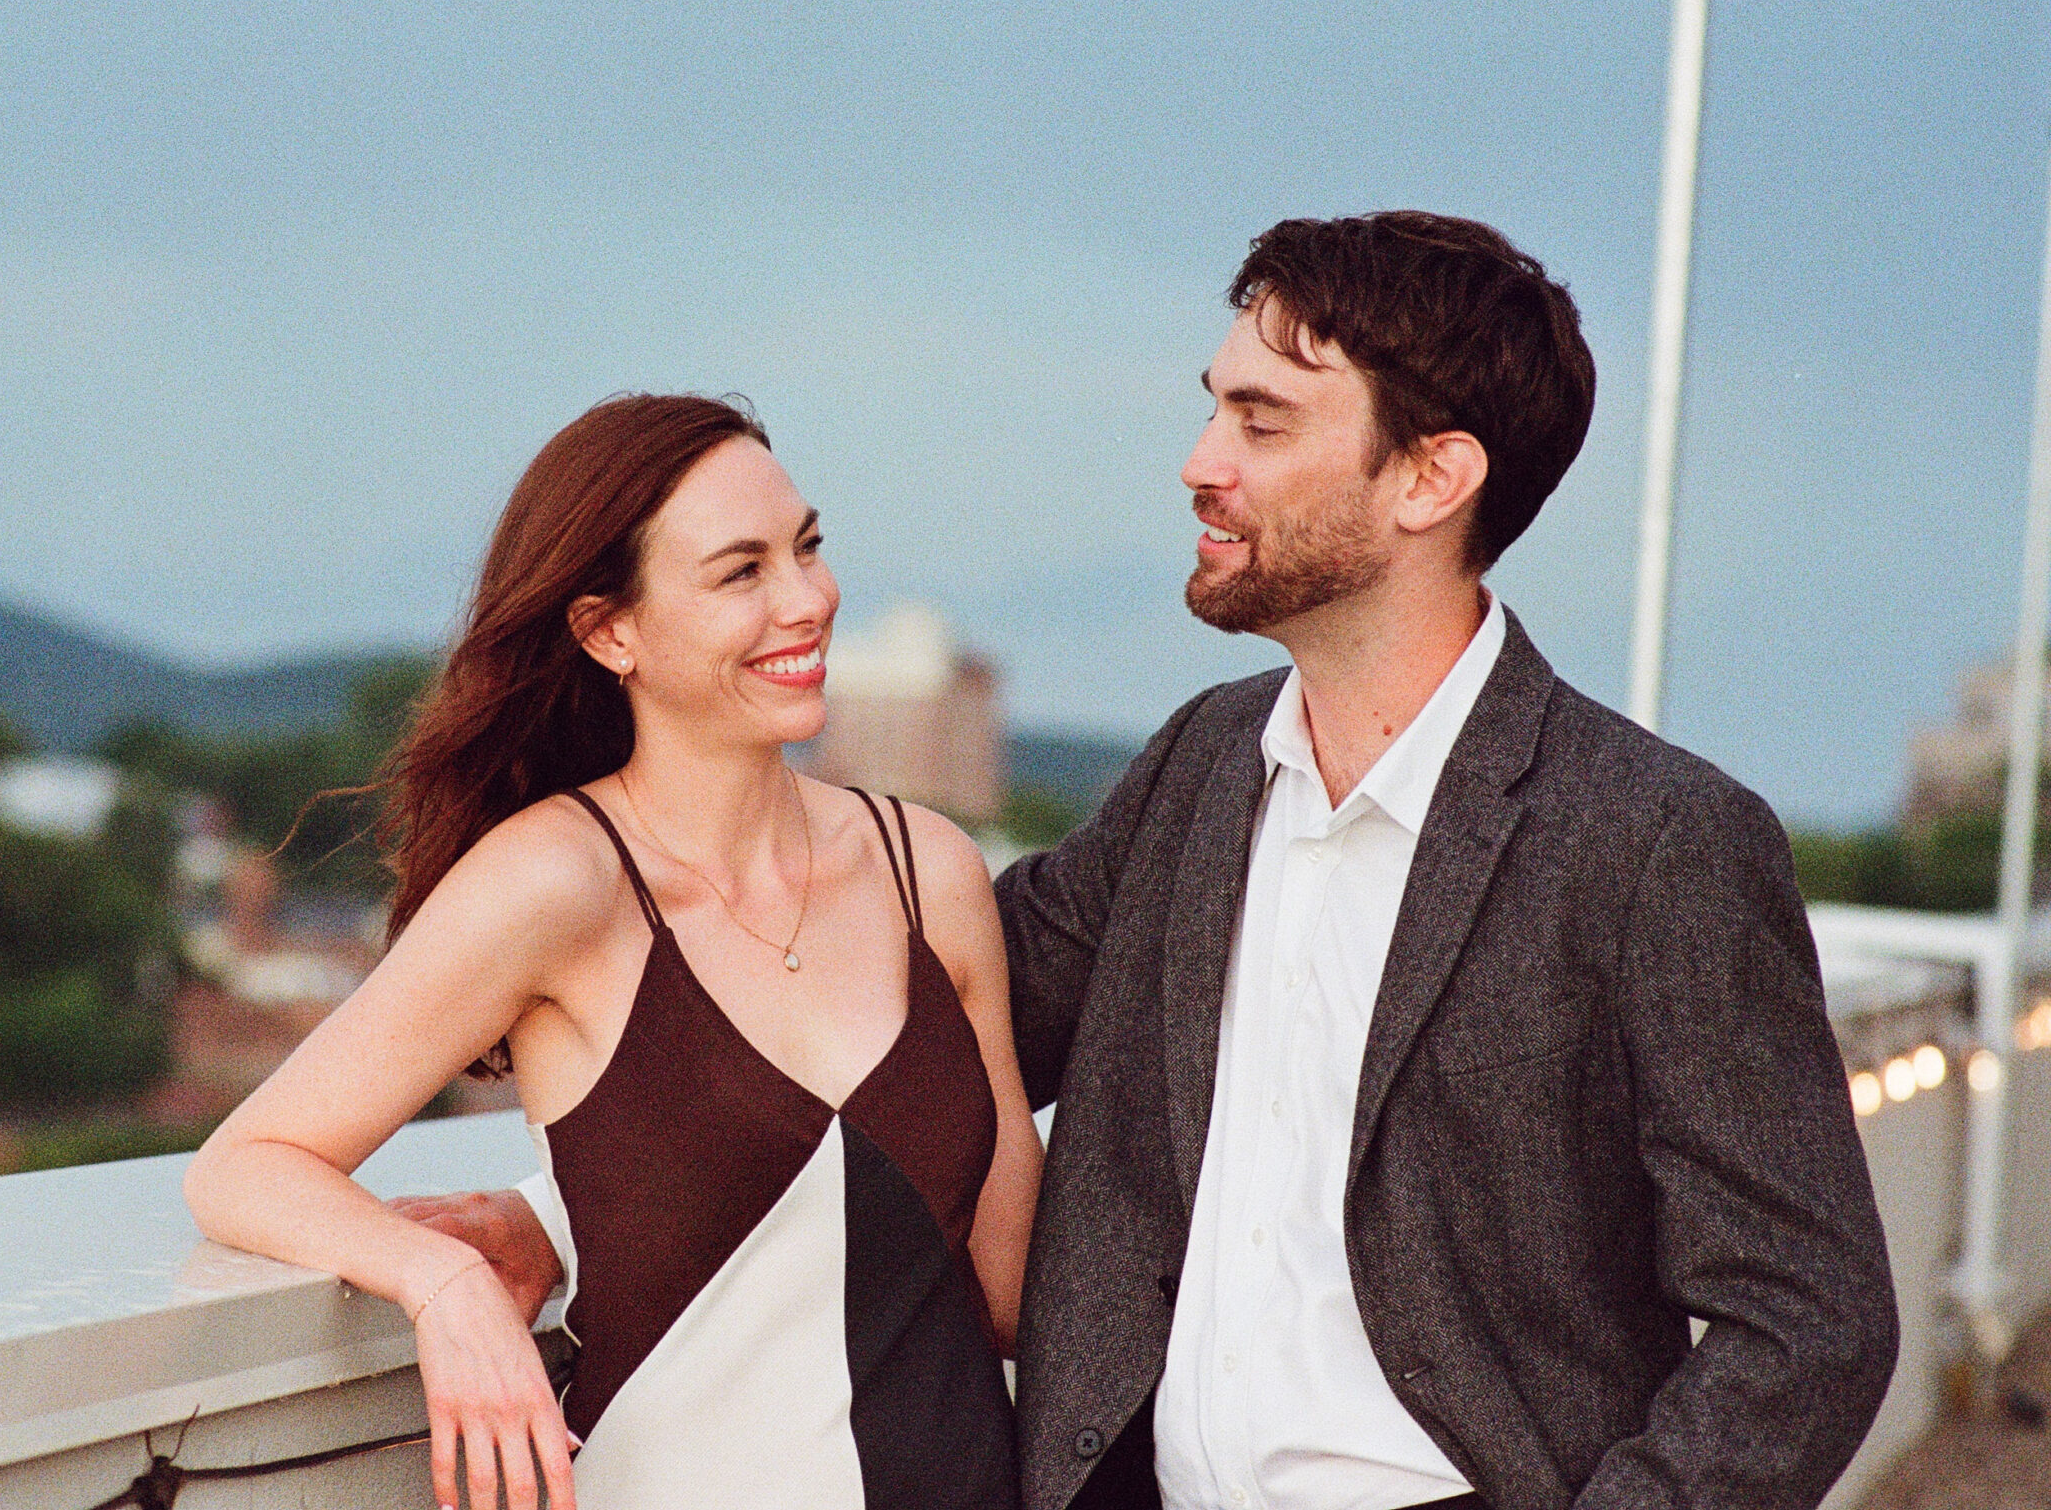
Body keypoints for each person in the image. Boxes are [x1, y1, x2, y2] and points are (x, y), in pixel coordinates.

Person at [418, 212, 1899, 1510]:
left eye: (1262, 424)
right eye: (1215, 412)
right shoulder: (1200, 772)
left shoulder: (1654, 841)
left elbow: (1811, 1318)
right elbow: (890, 1061)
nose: (1200, 464)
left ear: (1430, 477)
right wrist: (596, 1218)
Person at [182, 393, 1044, 1510]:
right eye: (742, 571)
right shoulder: (556, 882)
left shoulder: (931, 870)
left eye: (808, 547)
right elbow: (246, 1162)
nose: (809, 599)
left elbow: (1013, 1282)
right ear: (609, 631)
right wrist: (442, 1279)